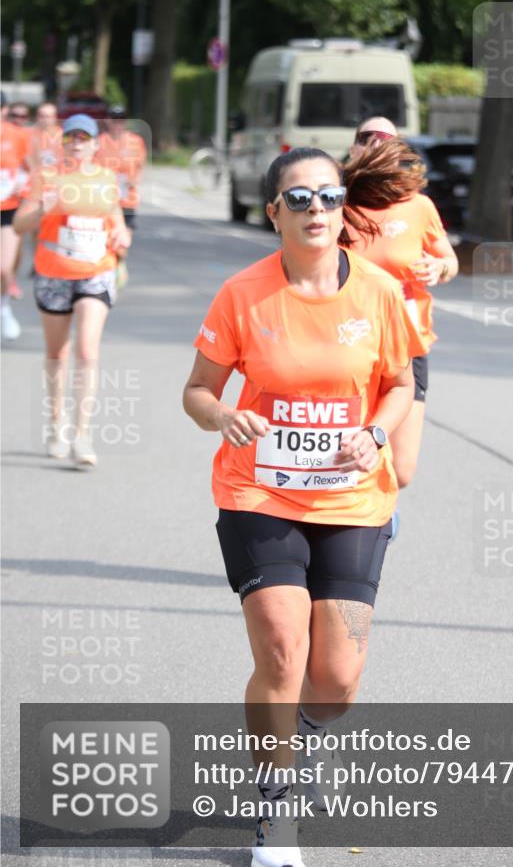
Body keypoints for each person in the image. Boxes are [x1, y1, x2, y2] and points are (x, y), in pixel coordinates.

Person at [183, 147, 420, 867]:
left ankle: (308, 738)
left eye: (328, 195)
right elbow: (195, 392)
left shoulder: (377, 292)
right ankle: (276, 809)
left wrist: (375, 433)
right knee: (283, 648)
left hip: (351, 499)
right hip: (259, 491)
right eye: (300, 198)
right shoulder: (242, 295)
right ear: (274, 213)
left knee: (337, 678)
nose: (316, 208)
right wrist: (225, 417)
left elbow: (401, 383)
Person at [344, 118, 459, 493]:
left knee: (402, 469)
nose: (375, 144)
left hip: (406, 348)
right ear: (353, 147)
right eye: (366, 138)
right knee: (346, 454)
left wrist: (438, 266)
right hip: (348, 343)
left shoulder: (418, 206)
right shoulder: (336, 203)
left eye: (385, 139)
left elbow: (450, 261)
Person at [13, 114, 131, 467]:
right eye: (71, 137)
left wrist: (122, 236)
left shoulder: (107, 180)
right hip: (53, 274)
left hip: (96, 272)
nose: (77, 143)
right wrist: (40, 211)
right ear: (63, 143)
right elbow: (19, 225)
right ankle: (56, 423)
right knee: (57, 354)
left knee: (86, 350)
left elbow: (118, 221)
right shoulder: (47, 178)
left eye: (84, 137)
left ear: (96, 144)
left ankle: (82, 434)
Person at [97, 105, 146, 287]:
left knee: (124, 238)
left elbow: (140, 165)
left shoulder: (135, 141)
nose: (118, 123)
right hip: (106, 199)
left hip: (127, 198)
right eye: (114, 119)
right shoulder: (99, 142)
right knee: (109, 236)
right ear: (107, 120)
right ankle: (112, 267)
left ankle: (119, 262)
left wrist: (133, 180)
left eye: (121, 119)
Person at [1, 93, 30, 339]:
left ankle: (3, 308)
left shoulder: (18, 136)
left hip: (9, 209)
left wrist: (24, 186)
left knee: (3, 268)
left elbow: (33, 169)